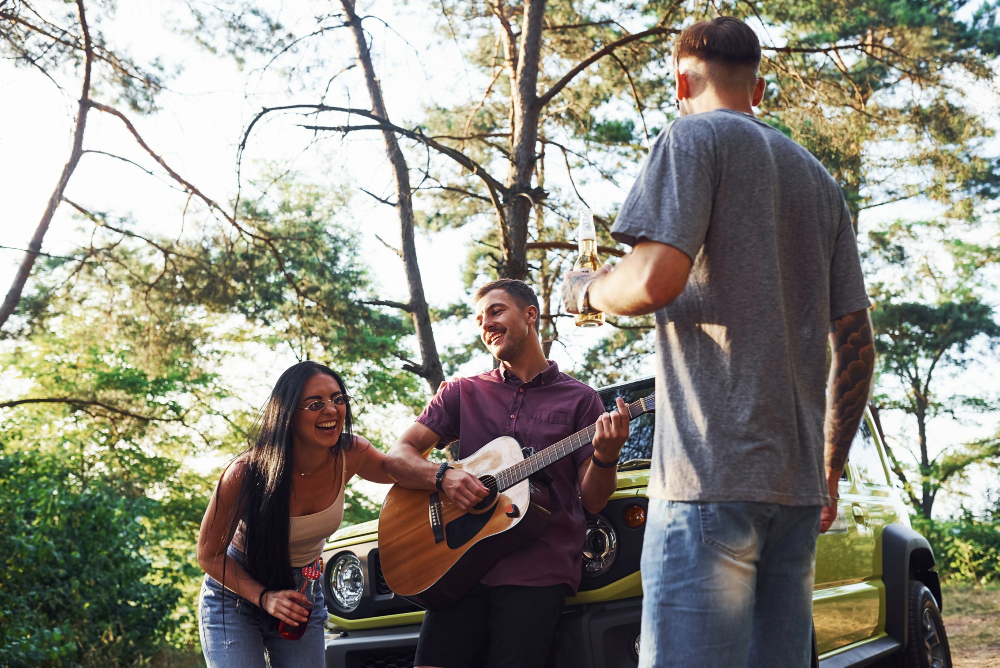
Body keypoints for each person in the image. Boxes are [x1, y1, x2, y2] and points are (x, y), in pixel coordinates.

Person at [561, 16, 876, 668]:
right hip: (793, 491)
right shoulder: (819, 182)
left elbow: (653, 280)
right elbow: (857, 341)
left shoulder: (691, 138)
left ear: (681, 79)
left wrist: (585, 290)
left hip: (707, 482)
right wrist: (831, 466)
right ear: (758, 90)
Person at [384, 278, 631, 668]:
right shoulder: (461, 392)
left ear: (530, 315)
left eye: (496, 311)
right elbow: (397, 456)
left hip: (537, 572)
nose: (486, 325)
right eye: (480, 319)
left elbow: (594, 499)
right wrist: (443, 477)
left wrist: (606, 456)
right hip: (457, 566)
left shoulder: (582, 400)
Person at [196, 361, 393, 668]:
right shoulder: (245, 472)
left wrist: (437, 428)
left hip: (301, 595)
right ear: (288, 415)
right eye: (315, 404)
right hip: (235, 595)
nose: (331, 410)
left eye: (338, 399)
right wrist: (264, 597)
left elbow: (401, 471)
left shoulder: (351, 453)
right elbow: (209, 556)